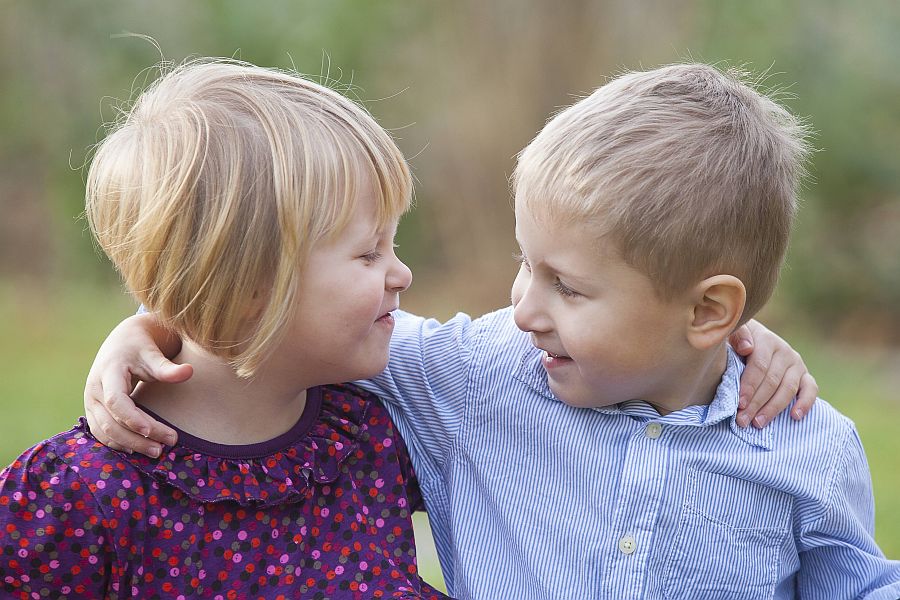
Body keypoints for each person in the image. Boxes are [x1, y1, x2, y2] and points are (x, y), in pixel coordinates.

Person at [79, 64, 844, 599]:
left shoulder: (805, 444)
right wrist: (156, 326)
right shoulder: (478, 377)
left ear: (710, 312)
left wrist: (744, 339)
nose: (524, 310)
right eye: (526, 263)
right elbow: (275, 324)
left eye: (568, 287)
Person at [0, 60, 448, 599]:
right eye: (369, 253)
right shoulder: (81, 497)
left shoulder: (369, 437)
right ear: (249, 286)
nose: (402, 274)